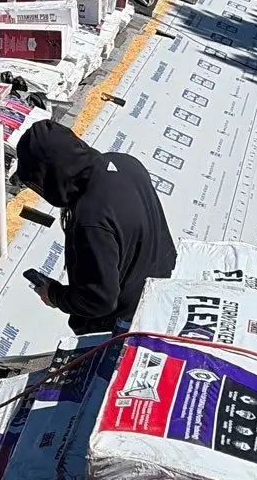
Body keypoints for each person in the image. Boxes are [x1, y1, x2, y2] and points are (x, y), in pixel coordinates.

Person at [12, 120, 177, 334]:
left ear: (51, 174)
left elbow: (99, 301)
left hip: (128, 322)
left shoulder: (90, 220)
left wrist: (54, 294)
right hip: (163, 289)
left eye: (38, 184)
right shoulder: (125, 162)